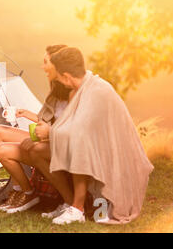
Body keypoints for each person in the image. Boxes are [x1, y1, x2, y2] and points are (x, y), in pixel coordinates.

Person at [27, 47, 154, 224]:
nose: (60, 83)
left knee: (80, 146)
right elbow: (76, 128)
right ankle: (70, 203)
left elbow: (80, 132)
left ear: (66, 76)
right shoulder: (82, 88)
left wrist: (50, 132)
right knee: (39, 150)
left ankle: (78, 209)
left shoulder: (97, 91)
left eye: (58, 77)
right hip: (99, 150)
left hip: (117, 159)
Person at [0, 45, 71, 213]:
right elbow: (49, 120)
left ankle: (28, 192)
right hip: (46, 136)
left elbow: (67, 129)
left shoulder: (73, 90)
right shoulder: (56, 89)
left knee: (2, 149)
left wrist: (45, 135)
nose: (43, 67)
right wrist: (25, 113)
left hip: (56, 142)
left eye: (46, 62)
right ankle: (20, 189)